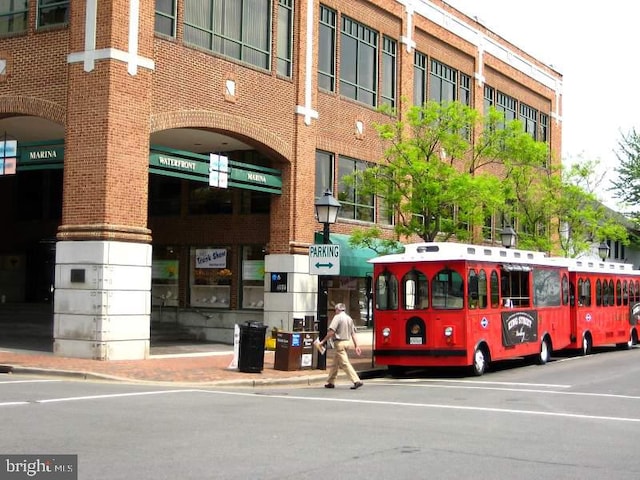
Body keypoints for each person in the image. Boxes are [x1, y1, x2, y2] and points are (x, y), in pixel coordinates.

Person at [318, 303, 363, 390]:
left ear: (337, 310)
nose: (335, 311)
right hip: (347, 342)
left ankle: (356, 380)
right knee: (335, 363)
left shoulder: (337, 317)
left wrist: (322, 341)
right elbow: (353, 333)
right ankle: (330, 382)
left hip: (339, 343)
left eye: (335, 310)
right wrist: (356, 345)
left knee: (345, 363)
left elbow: (331, 331)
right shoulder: (349, 318)